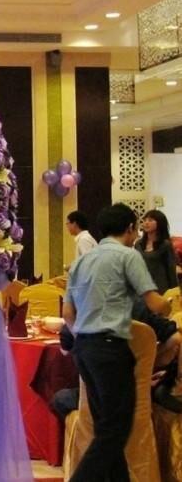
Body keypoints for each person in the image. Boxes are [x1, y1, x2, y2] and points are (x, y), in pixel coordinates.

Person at [63, 203, 169, 481]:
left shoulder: (81, 261)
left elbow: (67, 314)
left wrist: (86, 337)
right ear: (130, 229)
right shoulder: (128, 255)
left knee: (107, 429)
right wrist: (169, 304)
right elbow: (154, 303)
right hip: (111, 349)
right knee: (116, 429)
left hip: (83, 350)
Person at [135, 209, 179, 295]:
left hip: (161, 287)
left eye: (150, 220)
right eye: (145, 220)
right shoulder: (138, 244)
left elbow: (171, 269)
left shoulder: (165, 244)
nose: (146, 223)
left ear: (160, 223)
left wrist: (174, 290)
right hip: (142, 287)